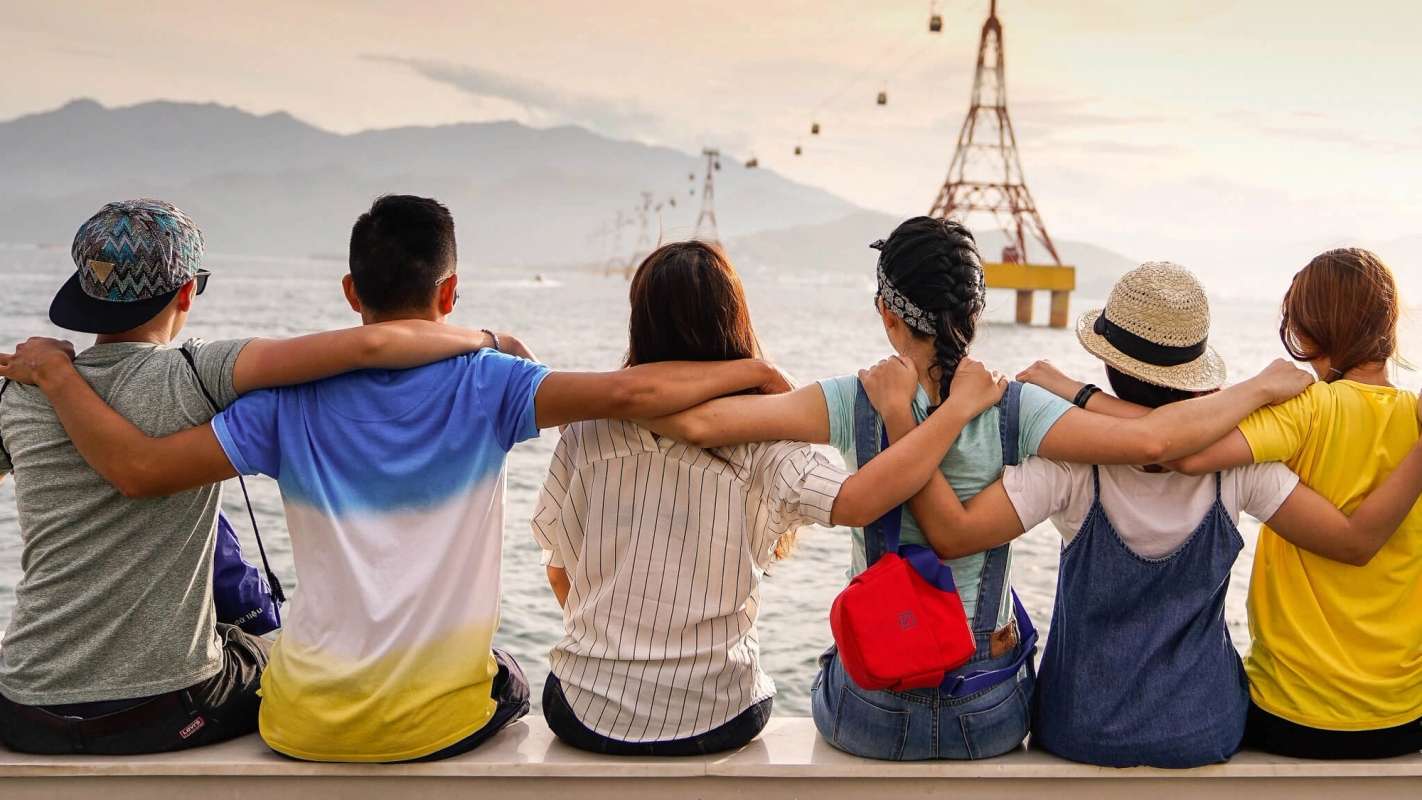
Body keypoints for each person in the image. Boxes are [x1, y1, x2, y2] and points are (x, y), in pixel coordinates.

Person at [0, 195, 798, 764]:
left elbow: (145, 470)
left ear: (351, 291)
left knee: (256, 638)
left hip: (297, 725)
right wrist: (757, 373)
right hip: (438, 728)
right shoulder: (494, 384)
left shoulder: (279, 403)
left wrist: (56, 381)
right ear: (448, 293)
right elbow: (631, 395)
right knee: (512, 678)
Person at [640, 217, 1313, 761]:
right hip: (986, 711)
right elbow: (1153, 442)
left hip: (872, 710)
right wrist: (1257, 388)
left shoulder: (853, 398)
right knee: (1009, 620)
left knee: (835, 658)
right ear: (977, 312)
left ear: (887, 313)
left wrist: (754, 371)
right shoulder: (1018, 408)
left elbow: (697, 422)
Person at [860, 262, 1422, 768]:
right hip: (1206, 729)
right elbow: (1348, 538)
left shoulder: (1070, 465)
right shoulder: (1243, 468)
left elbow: (953, 533)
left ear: (1109, 364)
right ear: (1197, 370)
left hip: (1078, 728)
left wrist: (904, 419)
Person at [0, 198, 507, 755]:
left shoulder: (18, 391)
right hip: (157, 711)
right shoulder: (199, 374)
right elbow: (372, 346)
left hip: (24, 707)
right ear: (187, 292)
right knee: (279, 658)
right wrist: (488, 342)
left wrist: (51, 378)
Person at [532, 242, 1010, 756]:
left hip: (586, 710)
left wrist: (623, 654)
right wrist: (953, 411)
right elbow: (857, 500)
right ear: (734, 324)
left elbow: (559, 571)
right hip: (718, 714)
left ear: (640, 324)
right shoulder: (765, 445)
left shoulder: (586, 431)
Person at [1154, 248, 1422, 759]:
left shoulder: (1307, 409)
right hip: (1405, 718)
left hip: (1292, 715)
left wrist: (1254, 390)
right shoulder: (1416, 416)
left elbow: (1180, 454)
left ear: (1306, 327)